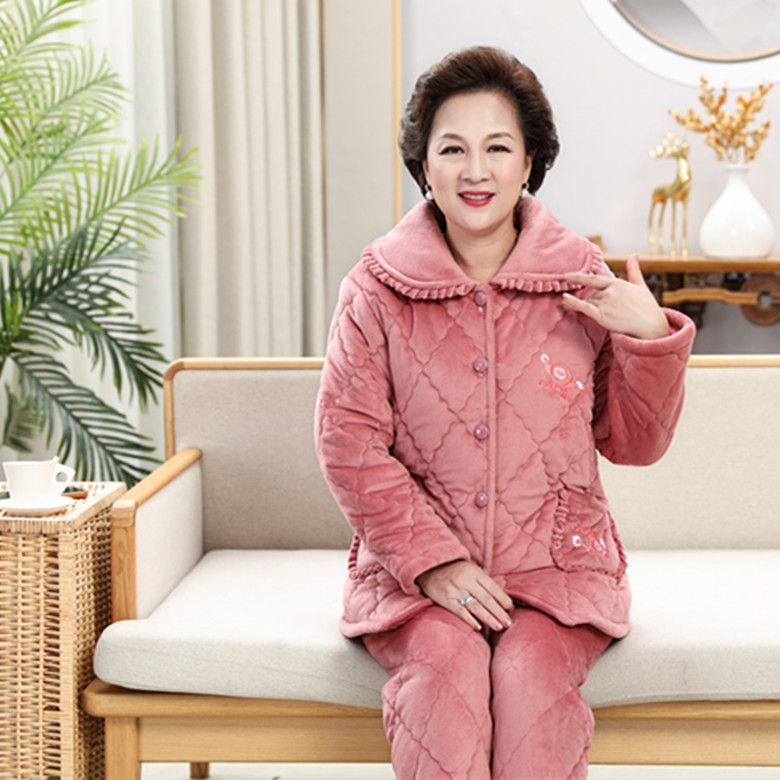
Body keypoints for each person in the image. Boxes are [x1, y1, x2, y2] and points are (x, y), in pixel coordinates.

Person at [314, 45, 696, 780]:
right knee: (445, 670)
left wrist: (649, 337)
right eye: (452, 149)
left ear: (529, 162)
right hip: (414, 583)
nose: (475, 170)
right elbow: (348, 444)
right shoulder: (375, 288)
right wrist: (434, 564)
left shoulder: (583, 280)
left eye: (497, 147)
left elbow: (635, 444)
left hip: (558, 574)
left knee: (529, 674)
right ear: (425, 166)